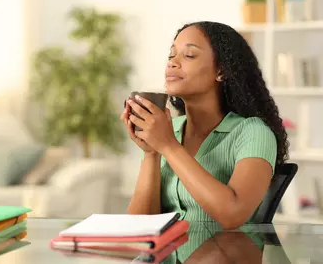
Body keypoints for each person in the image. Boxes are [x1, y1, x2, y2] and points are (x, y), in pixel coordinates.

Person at [120, 21, 289, 229]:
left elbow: (233, 214)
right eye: (171, 56)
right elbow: (139, 227)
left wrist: (168, 146)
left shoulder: (254, 133)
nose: (172, 63)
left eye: (189, 55)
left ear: (221, 71)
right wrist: (151, 153)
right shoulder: (168, 130)